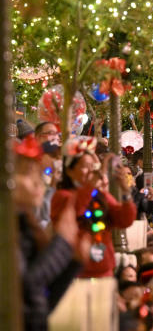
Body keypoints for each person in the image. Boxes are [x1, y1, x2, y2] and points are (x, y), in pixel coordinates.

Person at [15, 135, 84, 331]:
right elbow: (24, 287)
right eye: (28, 173)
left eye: (39, 173)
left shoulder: (26, 224)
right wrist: (62, 244)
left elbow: (40, 303)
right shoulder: (9, 229)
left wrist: (73, 264)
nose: (39, 183)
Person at [50, 137, 137, 279]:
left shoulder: (100, 195)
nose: (91, 171)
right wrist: (93, 184)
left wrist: (125, 192)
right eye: (85, 166)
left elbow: (125, 220)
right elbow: (78, 208)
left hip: (104, 271)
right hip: (75, 275)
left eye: (93, 166)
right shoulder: (62, 196)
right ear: (70, 171)